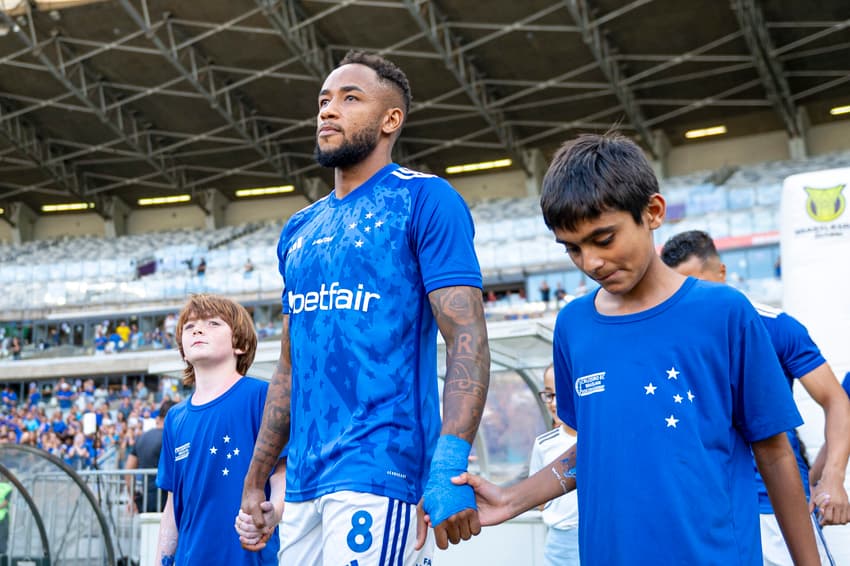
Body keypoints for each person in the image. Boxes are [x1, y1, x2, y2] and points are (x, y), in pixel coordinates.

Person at [443, 133, 819, 565]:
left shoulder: (725, 313)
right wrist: (512, 500)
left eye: (604, 239)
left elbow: (773, 452)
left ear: (653, 212)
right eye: (572, 248)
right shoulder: (573, 326)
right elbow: (596, 446)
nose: (591, 262)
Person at [239, 50, 490, 565]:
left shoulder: (425, 200)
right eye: (323, 100)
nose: (328, 110)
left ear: (390, 120)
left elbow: (467, 338)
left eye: (349, 98)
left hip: (382, 467)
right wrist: (256, 479)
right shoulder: (298, 229)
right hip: (305, 483)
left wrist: (448, 463)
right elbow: (289, 368)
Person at [661, 230, 850, 561]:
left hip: (774, 508)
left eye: (695, 282)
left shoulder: (776, 327)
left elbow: (835, 400)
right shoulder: (666, 340)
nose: (686, 296)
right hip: (706, 514)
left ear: (721, 273)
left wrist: (832, 477)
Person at [155, 294, 286, 565]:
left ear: (239, 343)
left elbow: (282, 477)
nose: (198, 330)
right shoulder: (175, 418)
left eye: (213, 323)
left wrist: (270, 515)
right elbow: (172, 509)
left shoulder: (263, 397)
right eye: (189, 327)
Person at [530, 364, 579, 566]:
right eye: (549, 395)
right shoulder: (543, 444)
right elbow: (536, 496)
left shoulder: (597, 439)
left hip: (597, 532)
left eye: (562, 393)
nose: (555, 403)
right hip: (559, 542)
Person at [125, 399, 175, 513]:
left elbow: (129, 469)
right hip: (168, 503)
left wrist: (133, 496)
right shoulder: (173, 438)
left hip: (147, 499)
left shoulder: (142, 437)